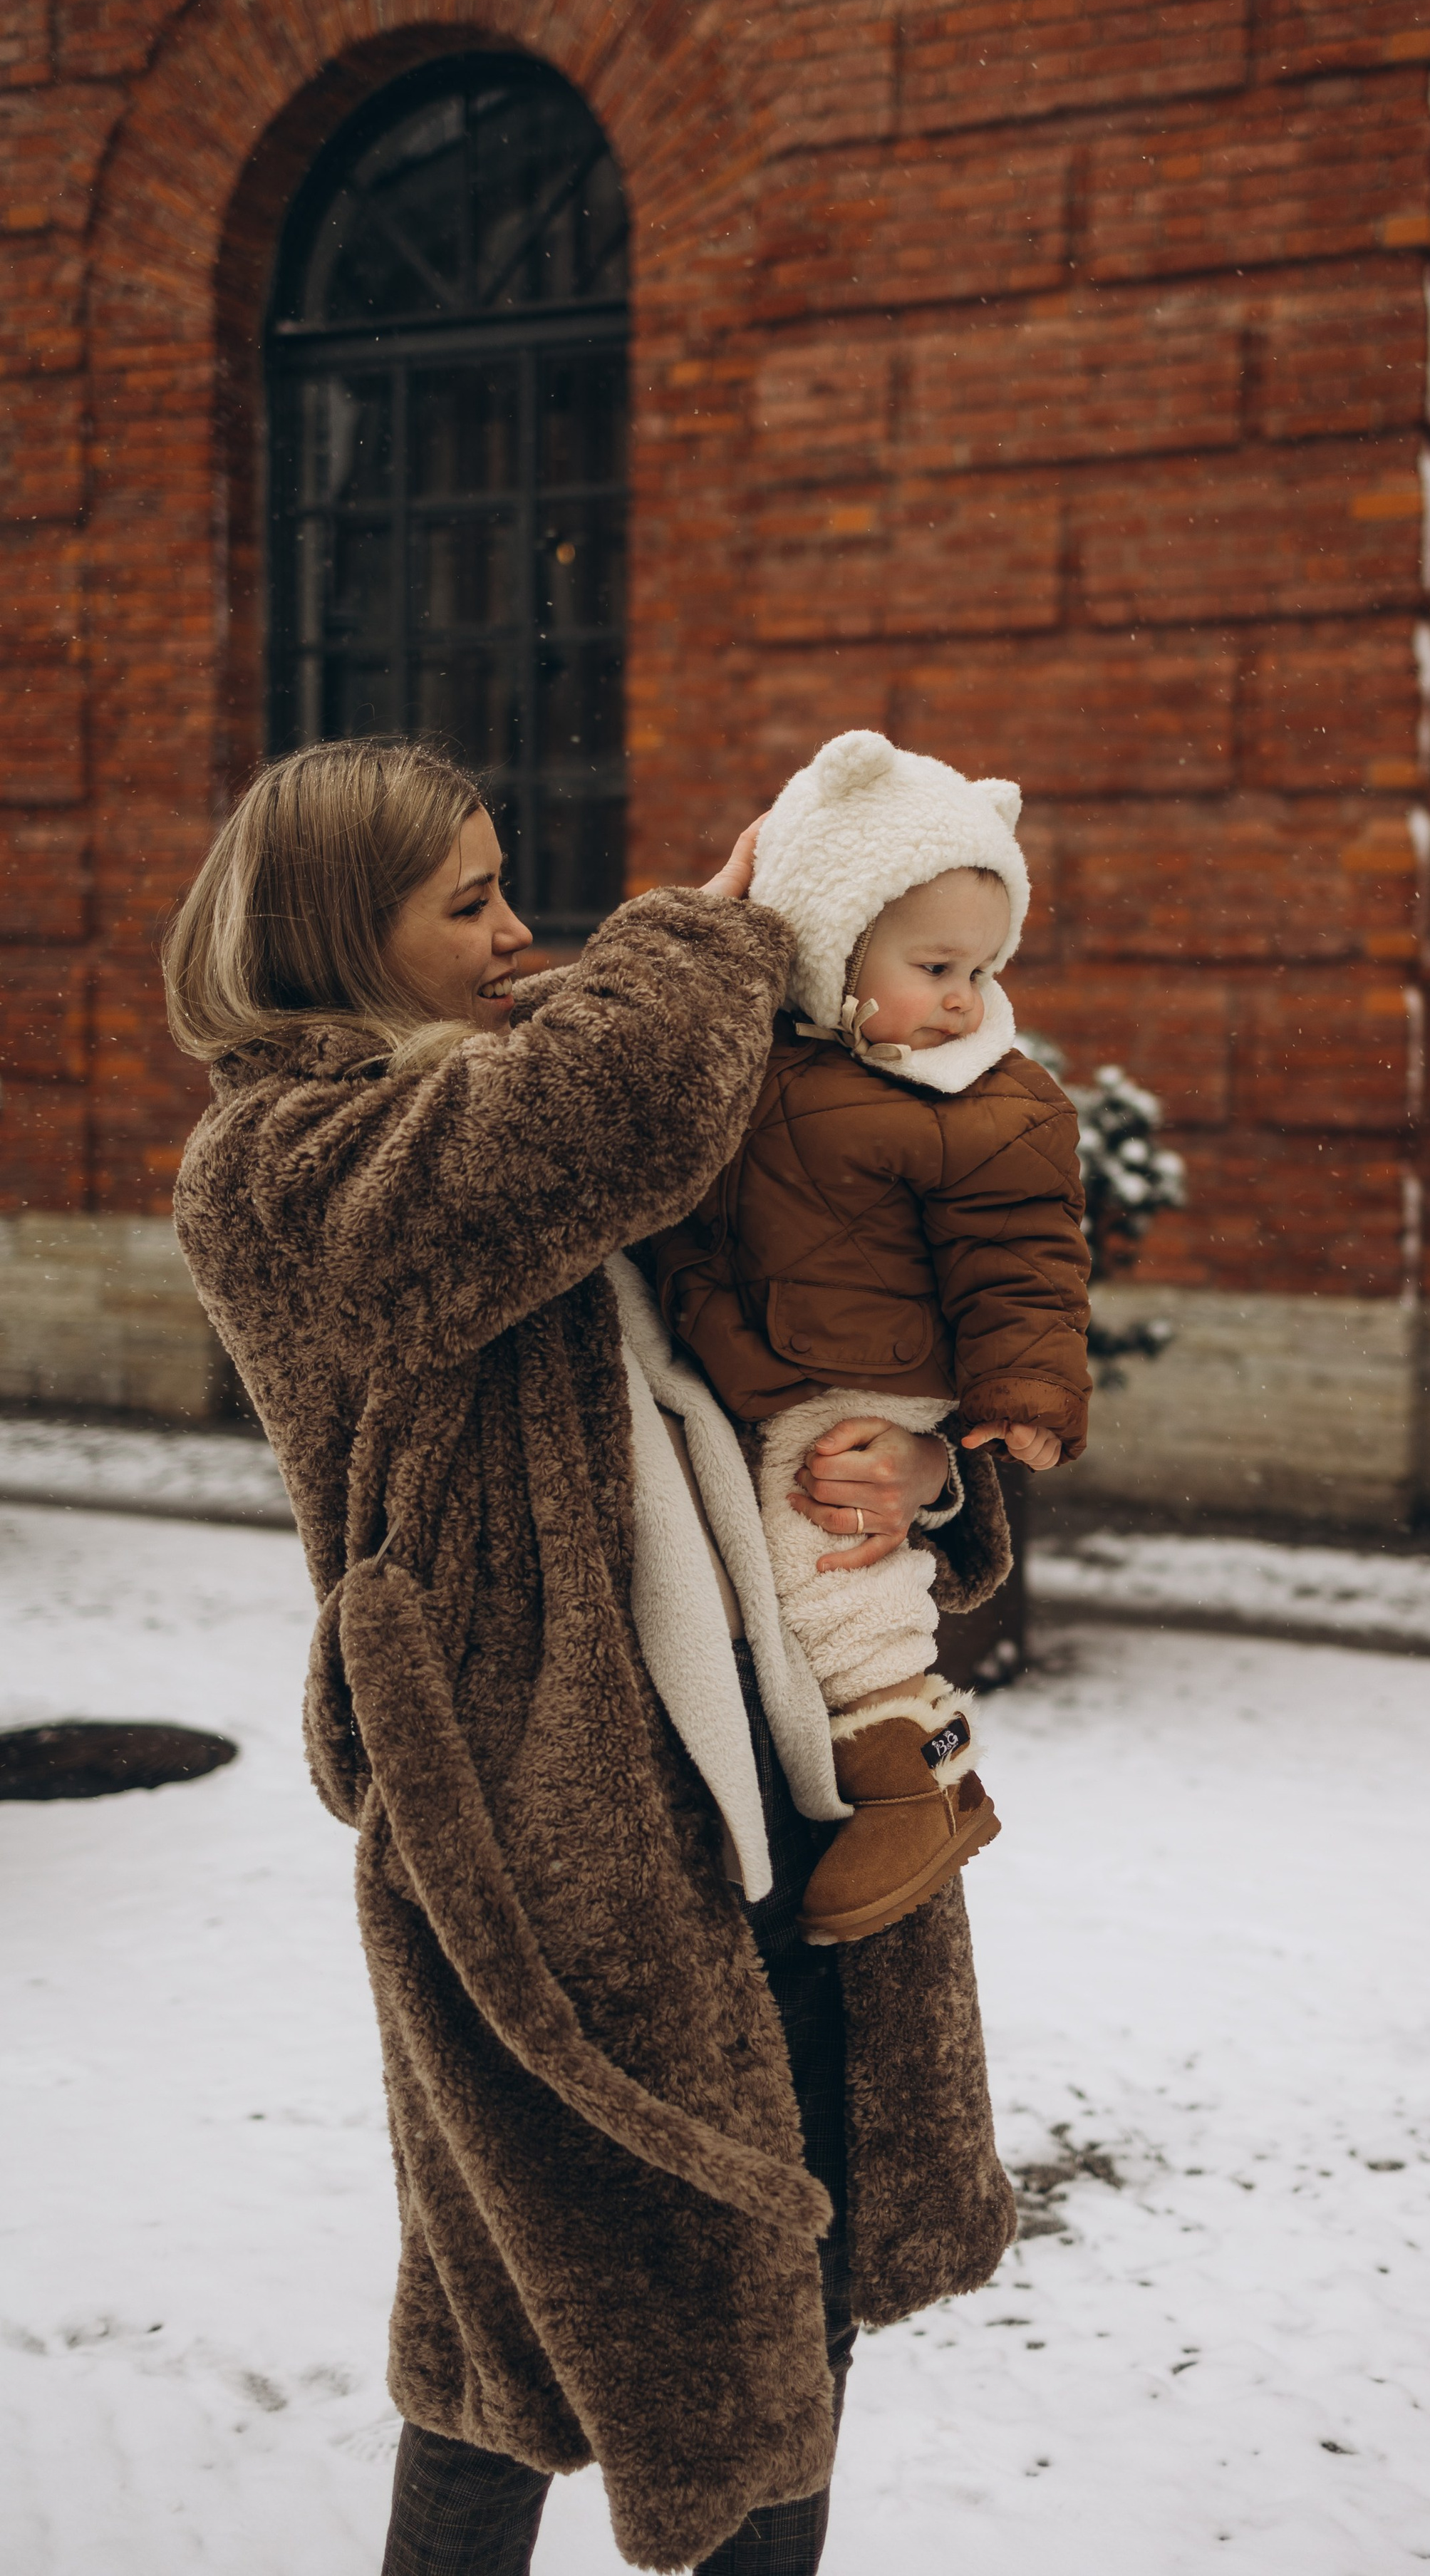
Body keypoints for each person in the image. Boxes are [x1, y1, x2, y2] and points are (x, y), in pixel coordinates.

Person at [161, 738, 1018, 2575]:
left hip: (779, 1783)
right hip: (546, 1835)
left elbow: (818, 1335)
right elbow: (574, 1132)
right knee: (530, 2331)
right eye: (465, 900)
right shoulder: (282, 1162)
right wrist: (733, 934)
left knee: (787, 2285)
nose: (517, 928)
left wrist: (918, 1465)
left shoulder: (553, 1087)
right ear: (334, 930)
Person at [650, 731, 1092, 1949]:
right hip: (760, 1356)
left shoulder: (987, 1103)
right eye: (933, 963)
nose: (961, 996)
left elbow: (1027, 1258)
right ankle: (900, 1768)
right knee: (803, 1559)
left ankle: (914, 1779)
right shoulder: (761, 1060)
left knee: (828, 1562)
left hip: (864, 1381)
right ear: (832, 944)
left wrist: (1025, 1394)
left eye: (979, 967)